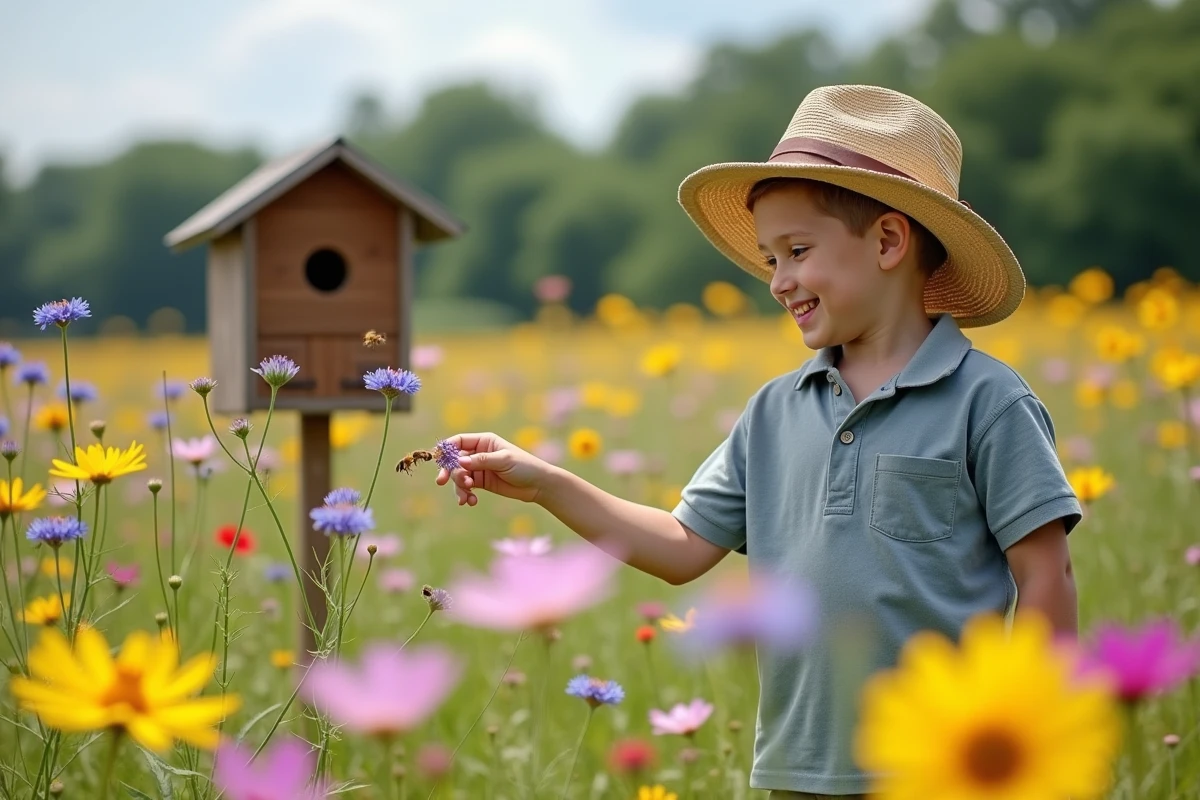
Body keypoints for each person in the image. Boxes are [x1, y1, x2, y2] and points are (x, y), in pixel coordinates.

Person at [435, 85, 1082, 799]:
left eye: (797, 251)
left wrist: (1031, 746)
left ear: (890, 241)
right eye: (771, 259)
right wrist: (545, 481)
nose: (778, 281)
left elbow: (1045, 577)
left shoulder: (987, 401)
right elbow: (683, 546)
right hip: (797, 771)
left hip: (945, 771)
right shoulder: (775, 411)